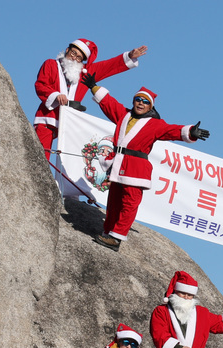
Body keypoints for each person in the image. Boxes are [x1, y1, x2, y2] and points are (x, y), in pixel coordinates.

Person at [85, 83, 210, 250]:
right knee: (114, 201)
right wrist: (93, 86)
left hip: (136, 168)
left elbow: (170, 130)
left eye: (145, 101)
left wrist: (190, 132)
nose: (141, 103)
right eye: (138, 99)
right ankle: (108, 231)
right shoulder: (124, 115)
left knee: (129, 203)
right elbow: (109, 103)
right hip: (119, 165)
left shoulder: (154, 124)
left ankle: (116, 238)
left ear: (150, 106)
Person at [32, 38, 146, 160]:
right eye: (73, 53)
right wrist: (55, 95)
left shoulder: (85, 73)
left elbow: (109, 66)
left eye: (79, 57)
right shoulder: (50, 64)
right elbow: (40, 84)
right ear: (67, 50)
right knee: (40, 155)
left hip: (71, 121)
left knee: (70, 158)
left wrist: (129, 56)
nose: (74, 58)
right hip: (49, 117)